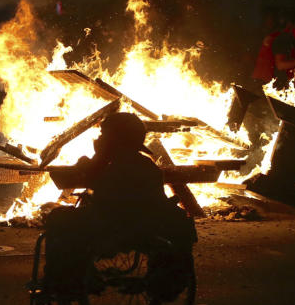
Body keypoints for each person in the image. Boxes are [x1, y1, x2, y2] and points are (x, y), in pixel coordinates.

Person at [42, 112, 196, 295]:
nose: (99, 138)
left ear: (116, 139)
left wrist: (96, 159)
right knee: (62, 219)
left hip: (122, 227)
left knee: (60, 220)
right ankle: (66, 279)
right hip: (122, 222)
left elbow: (103, 194)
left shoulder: (127, 164)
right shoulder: (132, 162)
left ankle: (71, 281)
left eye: (104, 135)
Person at [251, 13, 295, 90]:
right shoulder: (283, 39)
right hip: (264, 83)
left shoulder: (291, 40)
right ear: (290, 25)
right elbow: (280, 65)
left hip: (268, 83)